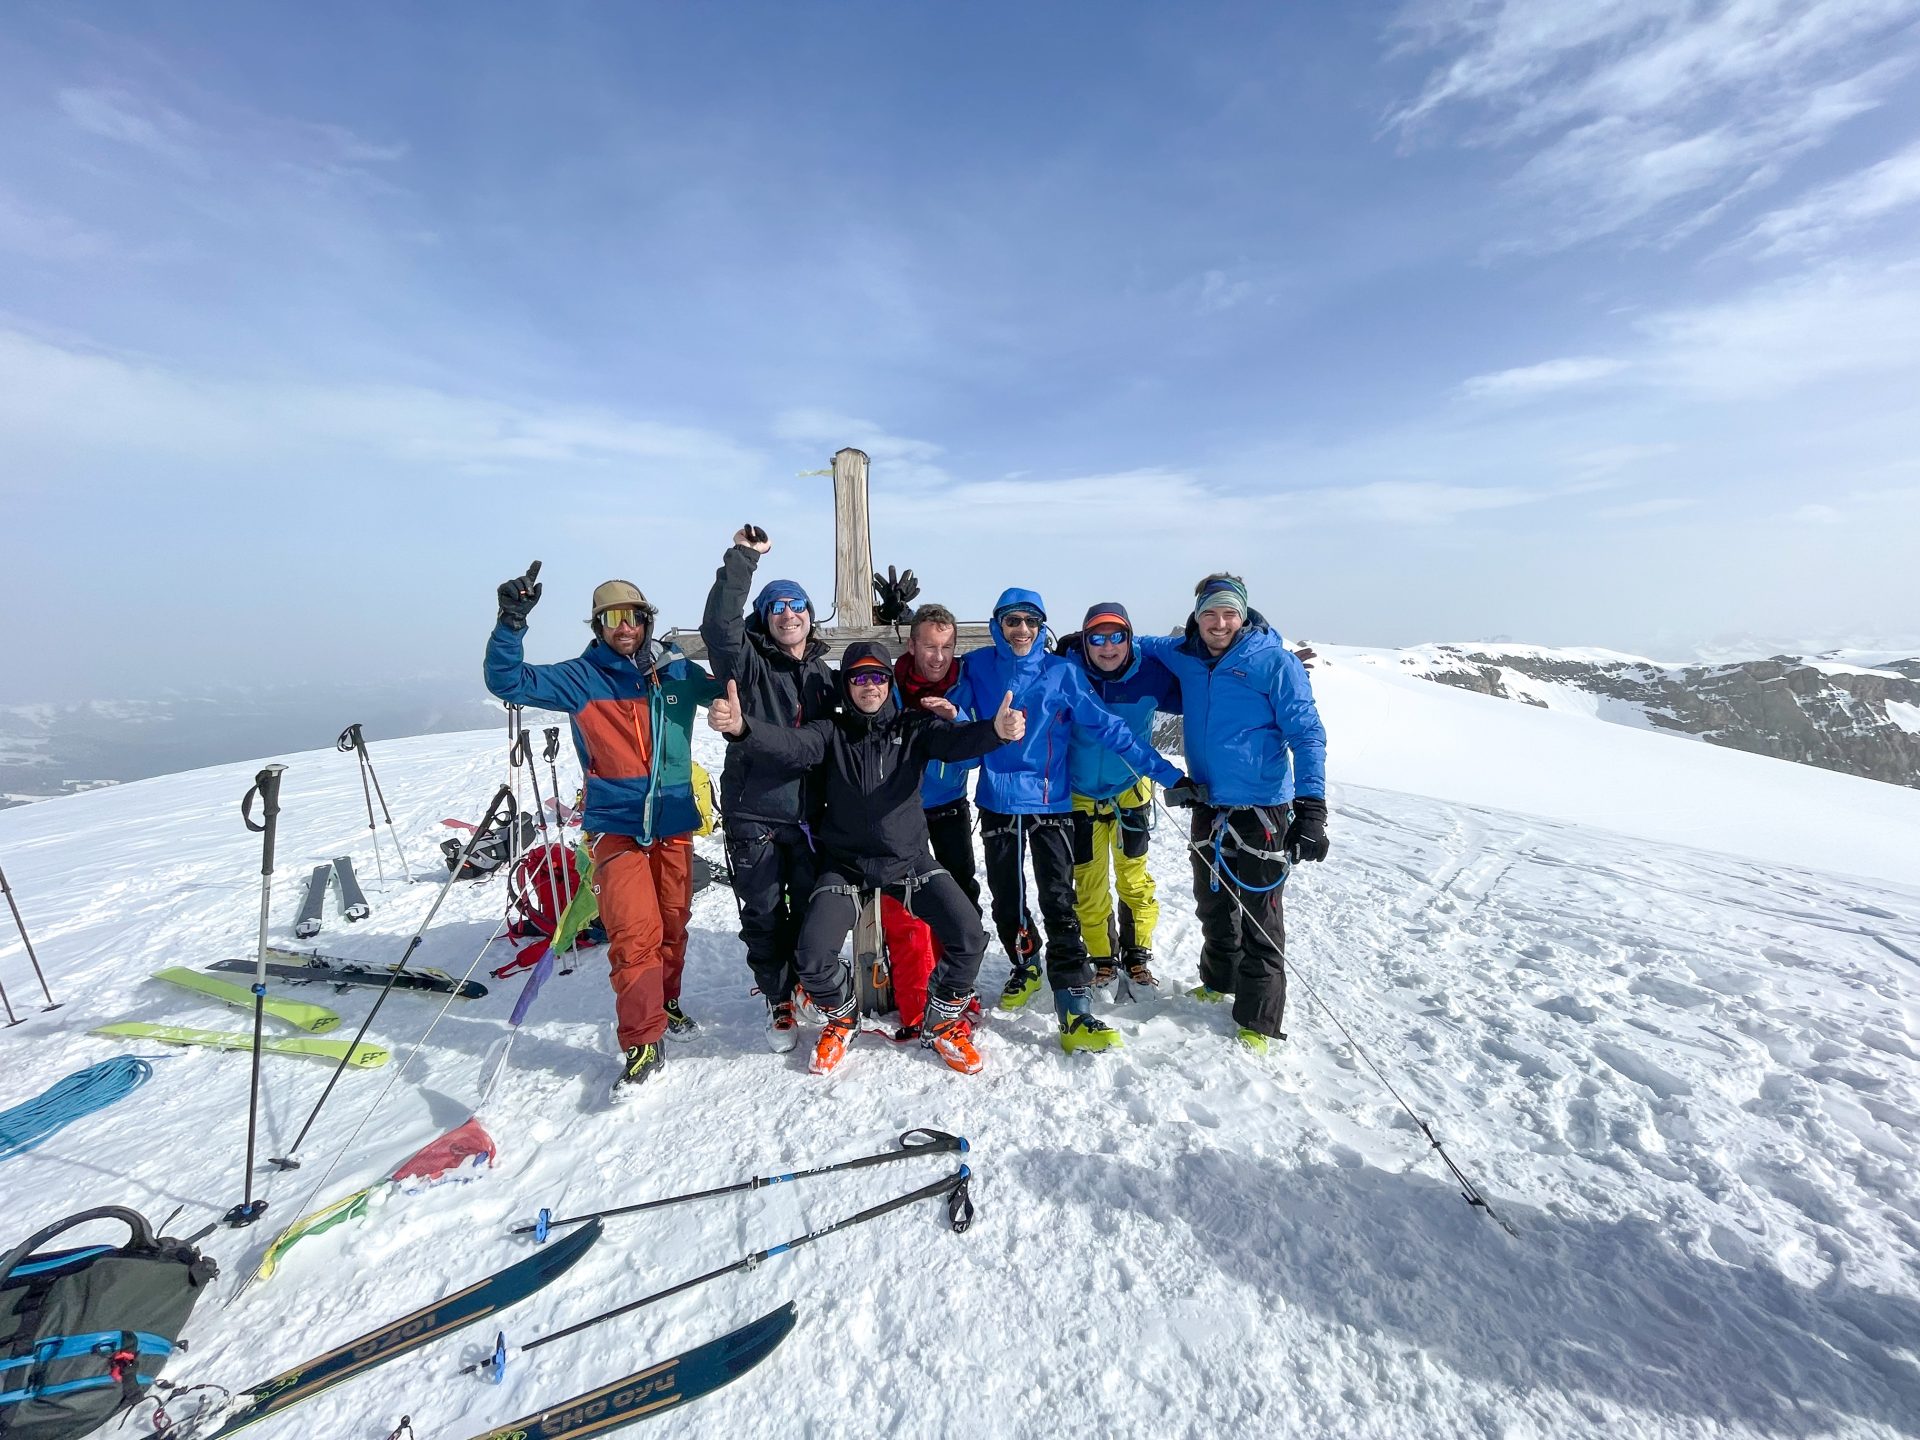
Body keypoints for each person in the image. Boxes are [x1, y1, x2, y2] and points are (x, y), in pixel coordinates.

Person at [706, 643, 1021, 1075]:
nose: (869, 686)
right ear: (846, 685)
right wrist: (744, 728)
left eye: (877, 677)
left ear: (888, 684)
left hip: (907, 862)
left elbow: (955, 743)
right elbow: (791, 745)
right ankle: (843, 1017)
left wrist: (996, 732)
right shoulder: (830, 733)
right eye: (858, 678)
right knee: (812, 955)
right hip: (847, 867)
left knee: (968, 934)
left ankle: (943, 1022)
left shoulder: (914, 727)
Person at [486, 563, 722, 1094]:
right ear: (598, 626)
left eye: (633, 616)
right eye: (611, 618)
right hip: (616, 827)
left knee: (671, 924)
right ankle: (642, 1040)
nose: (624, 626)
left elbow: (734, 690)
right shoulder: (580, 678)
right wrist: (510, 623)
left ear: (646, 620)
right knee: (633, 933)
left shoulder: (675, 674)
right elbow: (507, 679)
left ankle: (666, 1003)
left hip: (675, 821)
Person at [947, 588, 1186, 1054]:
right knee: (1008, 898)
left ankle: (1074, 1007)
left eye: (1030, 622)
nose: (1021, 630)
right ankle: (1025, 964)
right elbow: (961, 711)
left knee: (1060, 900)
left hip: (1053, 802)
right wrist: (949, 713)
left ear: (1041, 628)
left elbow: (1109, 727)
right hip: (998, 799)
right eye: (1012, 621)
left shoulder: (1063, 672)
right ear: (998, 624)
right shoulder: (977, 666)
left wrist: (1169, 774)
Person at [1140, 573, 1328, 1054]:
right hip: (1208, 801)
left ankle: (1258, 1019)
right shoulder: (1184, 652)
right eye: (1210, 613)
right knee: (1213, 901)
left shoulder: (1274, 663)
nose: (1219, 623)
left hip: (1262, 809)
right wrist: (1087, 638)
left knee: (1261, 913)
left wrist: (1311, 810)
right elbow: (1137, 641)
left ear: (1243, 614)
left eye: (1229, 613)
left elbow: (1307, 735)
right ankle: (1219, 980)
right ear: (1197, 615)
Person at [699, 525, 838, 1052]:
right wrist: (742, 559)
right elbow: (719, 626)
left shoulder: (825, 676)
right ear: (764, 617)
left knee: (808, 908)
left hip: (808, 815)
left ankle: (804, 985)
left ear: (809, 613)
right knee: (761, 911)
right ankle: (778, 999)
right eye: (776, 606)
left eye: (796, 604)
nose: (787, 613)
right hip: (753, 813)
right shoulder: (747, 664)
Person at [1055, 602, 1181, 995]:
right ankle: (1102, 958)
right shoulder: (1067, 673)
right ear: (1084, 640)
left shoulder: (1152, 675)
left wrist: (1261, 669)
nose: (1107, 647)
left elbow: (1206, 687)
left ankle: (1137, 954)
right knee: (1088, 881)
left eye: (1116, 637)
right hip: (1080, 795)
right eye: (1097, 637)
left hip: (1131, 790)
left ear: (1129, 638)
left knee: (1133, 877)